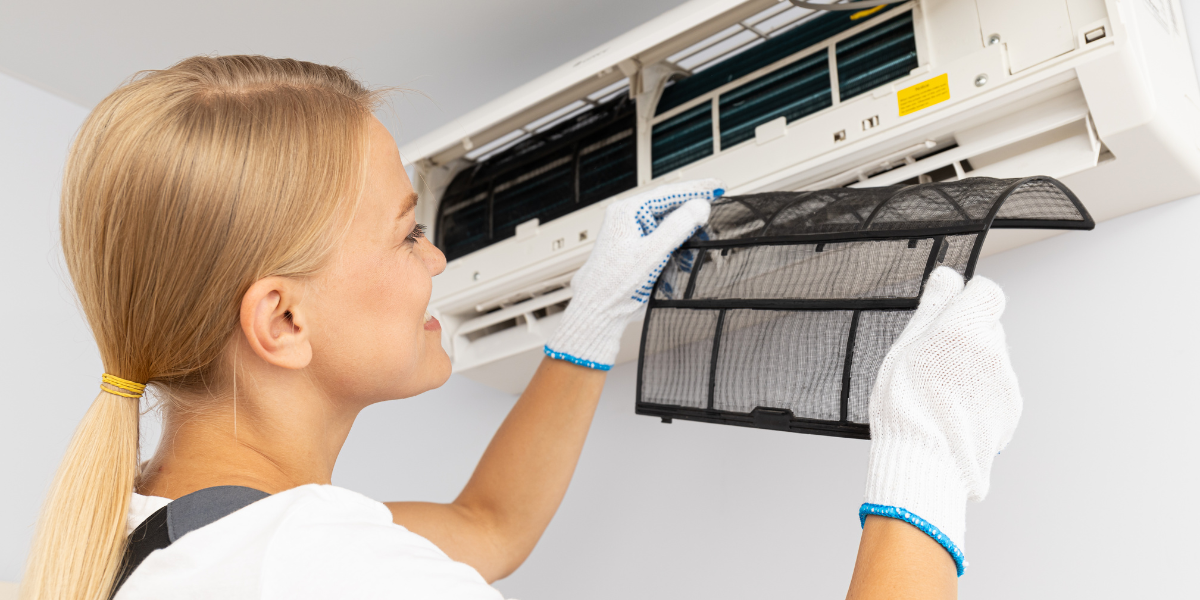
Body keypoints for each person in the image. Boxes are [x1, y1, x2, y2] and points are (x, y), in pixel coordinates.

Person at [21, 56, 1020, 600]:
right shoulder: (322, 572)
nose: (436, 261)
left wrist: (586, 330)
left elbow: (484, 533)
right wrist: (923, 482)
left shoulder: (144, 538)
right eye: (410, 231)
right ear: (281, 319)